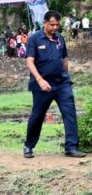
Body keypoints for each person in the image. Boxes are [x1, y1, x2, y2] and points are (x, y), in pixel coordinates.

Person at [23, 11, 86, 159]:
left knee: (69, 113)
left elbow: (64, 59)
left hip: (62, 83)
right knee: (38, 115)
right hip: (43, 84)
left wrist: (66, 75)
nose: (55, 27)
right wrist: (40, 80)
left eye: (57, 25)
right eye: (52, 25)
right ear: (44, 23)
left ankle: (71, 147)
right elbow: (29, 61)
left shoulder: (60, 38)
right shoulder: (34, 39)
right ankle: (28, 146)